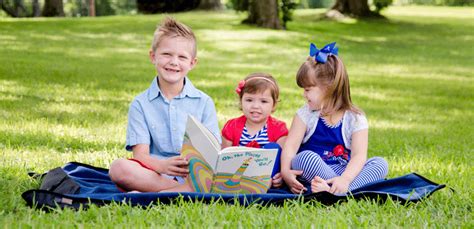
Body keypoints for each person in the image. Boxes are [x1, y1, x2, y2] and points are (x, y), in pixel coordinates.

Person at [108, 17, 220, 192]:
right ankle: (184, 190)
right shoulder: (140, 104)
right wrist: (161, 166)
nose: (174, 62)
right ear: (153, 57)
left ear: (192, 63)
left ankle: (164, 192)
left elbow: (212, 152)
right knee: (118, 168)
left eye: (182, 57)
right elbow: (141, 155)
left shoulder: (203, 102)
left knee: (215, 176)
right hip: (156, 172)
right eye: (167, 54)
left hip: (194, 173)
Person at [281, 42, 388, 194]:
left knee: (380, 164)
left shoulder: (355, 119)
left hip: (345, 173)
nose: (304, 94)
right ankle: (345, 192)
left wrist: (345, 179)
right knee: (303, 158)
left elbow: (358, 156)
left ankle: (338, 189)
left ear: (329, 88)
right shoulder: (305, 114)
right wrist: (285, 171)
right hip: (315, 170)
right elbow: (290, 147)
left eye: (307, 89)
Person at [221, 73, 288, 188]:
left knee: (273, 148)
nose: (255, 106)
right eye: (249, 100)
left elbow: (285, 159)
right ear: (241, 101)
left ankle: (262, 186)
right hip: (239, 174)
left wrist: (282, 175)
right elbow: (223, 157)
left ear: (273, 105)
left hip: (267, 177)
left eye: (263, 101)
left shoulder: (279, 128)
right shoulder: (232, 126)